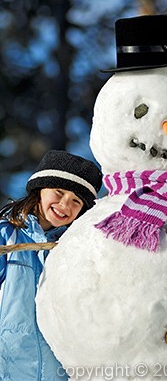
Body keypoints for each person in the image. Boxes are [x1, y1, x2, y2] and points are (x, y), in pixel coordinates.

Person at [0, 150, 102, 380]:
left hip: (57, 372)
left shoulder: (74, 249)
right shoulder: (7, 236)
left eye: (76, 201)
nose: (65, 204)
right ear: (40, 190)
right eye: (58, 192)